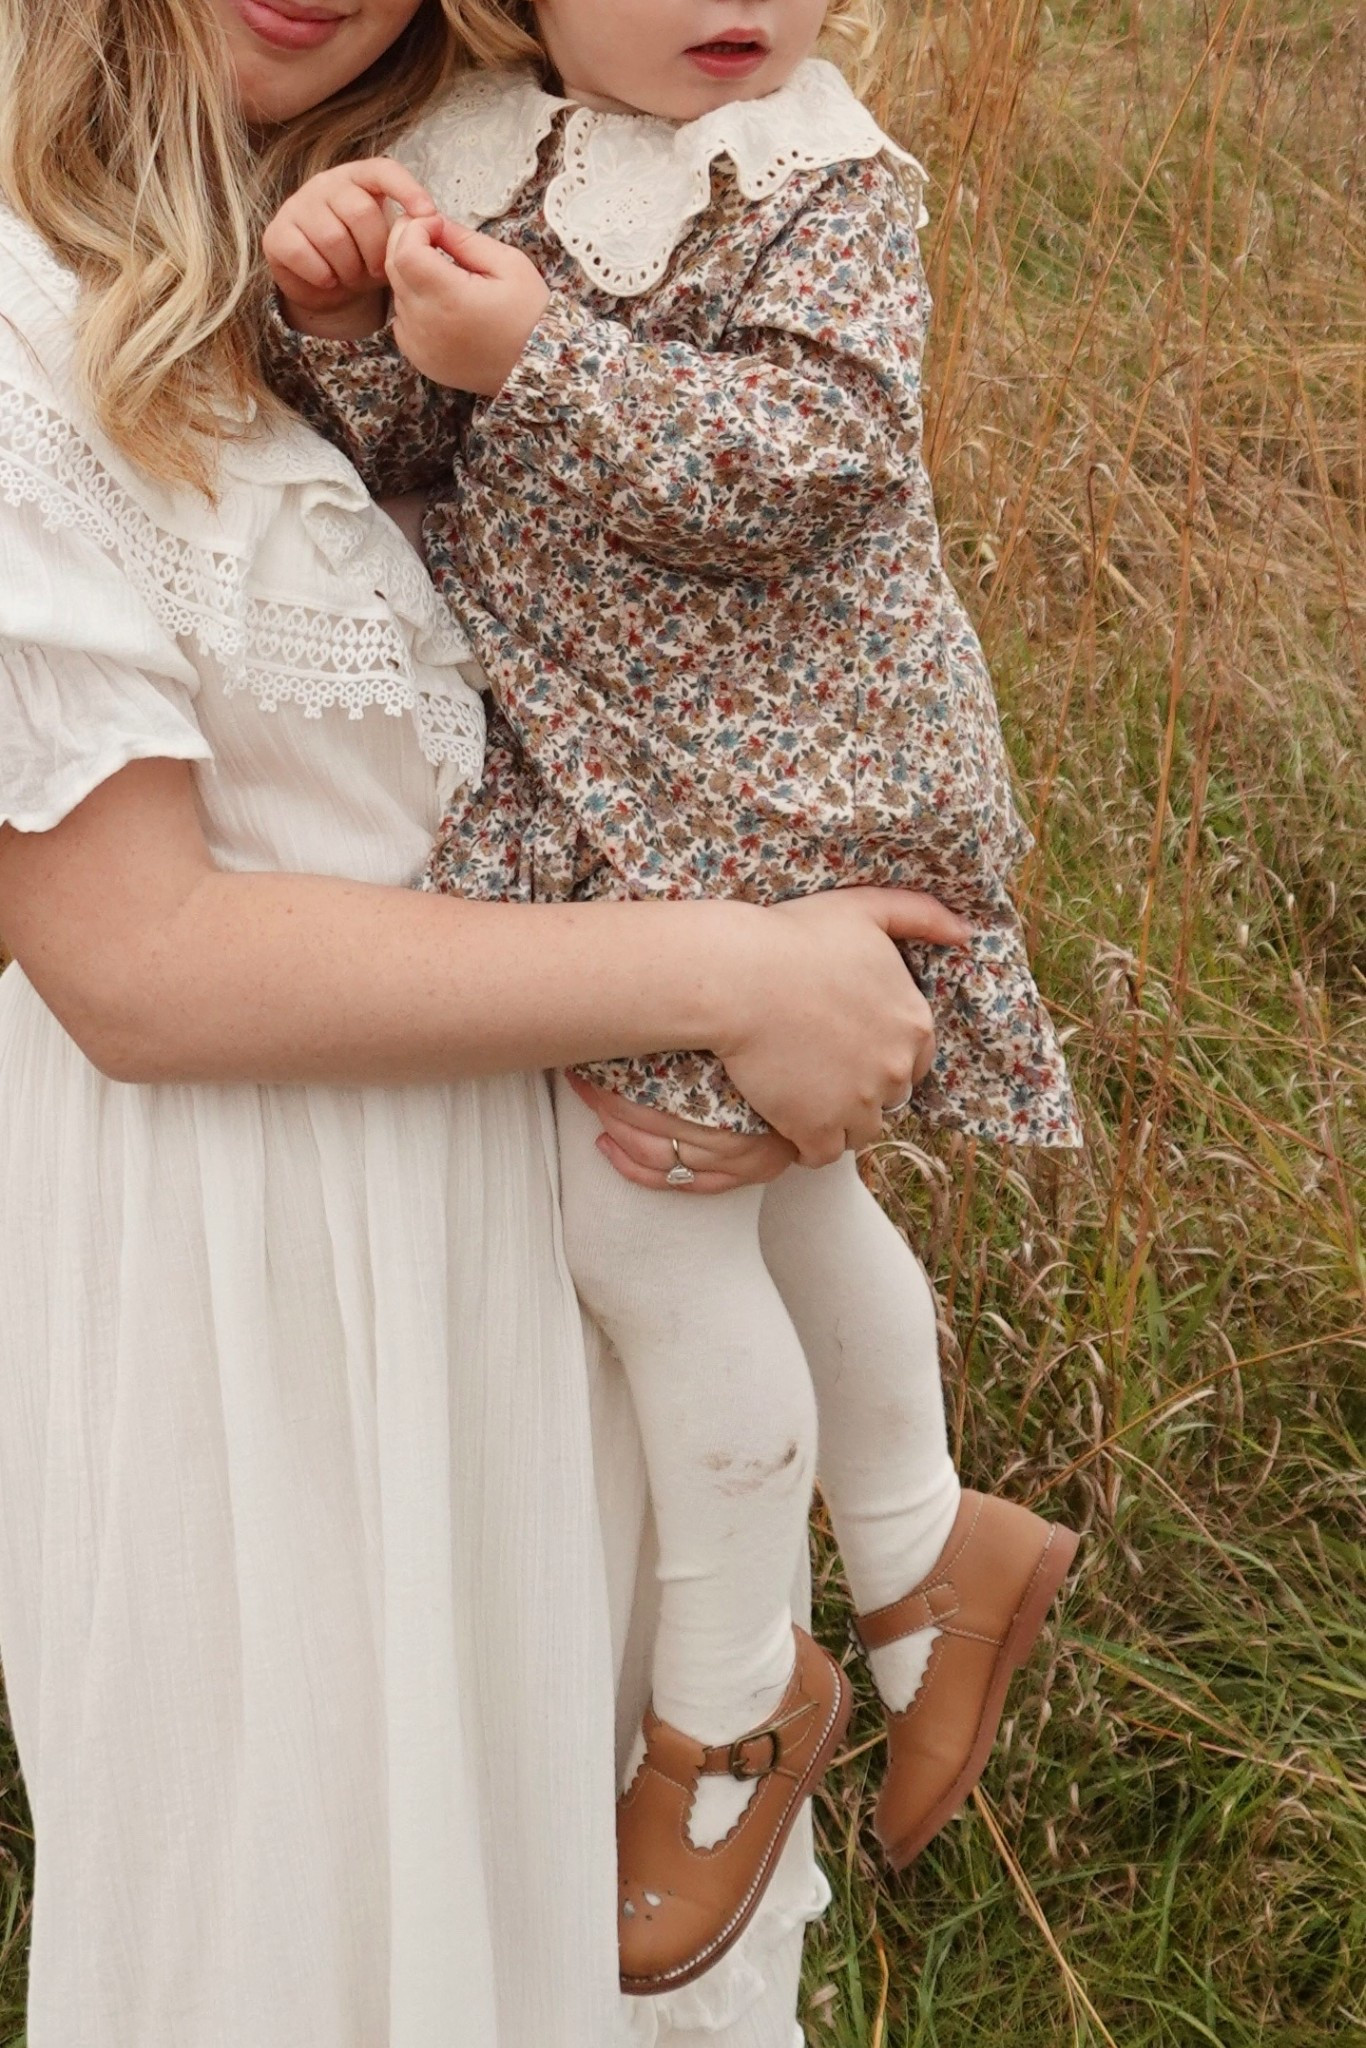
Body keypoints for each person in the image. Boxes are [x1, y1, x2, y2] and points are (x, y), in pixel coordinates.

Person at [0, 1, 977, 2043]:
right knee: (323, 1939)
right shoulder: (19, 298)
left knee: (574, 1940)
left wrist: (773, 988)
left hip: (546, 1260)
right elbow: (136, 963)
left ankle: (834, 1614)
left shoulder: (472, 197)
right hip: (252, 1304)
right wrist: (726, 970)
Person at [261, 0, 1083, 1999]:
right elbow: (404, 480)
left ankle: (727, 1699)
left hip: (779, 769)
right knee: (767, 1193)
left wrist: (542, 352)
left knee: (634, 1212)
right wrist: (355, 317)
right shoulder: (473, 140)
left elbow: (811, 456)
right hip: (621, 770)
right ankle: (919, 1542)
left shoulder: (813, 170)